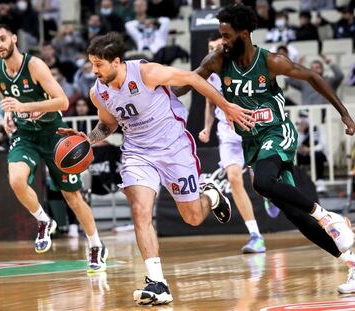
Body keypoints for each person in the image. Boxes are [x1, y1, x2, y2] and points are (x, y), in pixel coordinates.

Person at [57, 32, 254, 305]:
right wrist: (86, 140)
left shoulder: (147, 72)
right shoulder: (98, 92)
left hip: (173, 147)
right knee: (140, 211)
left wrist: (226, 107)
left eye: (98, 64)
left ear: (116, 62)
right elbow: (108, 125)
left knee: (193, 217)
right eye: (91, 63)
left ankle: (211, 195)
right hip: (138, 153)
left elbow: (194, 79)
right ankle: (157, 281)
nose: (94, 70)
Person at [173, 4, 355, 294]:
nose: (223, 41)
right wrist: (159, 86)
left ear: (244, 33)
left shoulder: (270, 61)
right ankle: (352, 263)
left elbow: (312, 77)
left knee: (262, 182)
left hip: (277, 132)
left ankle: (326, 215)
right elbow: (189, 83)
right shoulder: (218, 60)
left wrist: (344, 114)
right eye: (221, 35)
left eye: (227, 35)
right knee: (295, 215)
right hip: (253, 142)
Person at [0, 24, 107, 273]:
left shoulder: (34, 66)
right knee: (16, 180)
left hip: (53, 135)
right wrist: (9, 113)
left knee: (72, 197)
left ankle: (96, 245)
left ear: (14, 38)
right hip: (26, 135)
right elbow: (6, 95)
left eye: (2, 39)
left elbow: (62, 101)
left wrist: (27, 107)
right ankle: (44, 220)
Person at [199, 36, 266, 253]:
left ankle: (270, 197)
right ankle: (255, 235)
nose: (213, 51)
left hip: (250, 127)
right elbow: (209, 104)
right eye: (209, 47)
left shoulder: (243, 66)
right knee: (234, 178)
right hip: (226, 132)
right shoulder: (208, 74)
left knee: (261, 183)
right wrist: (207, 127)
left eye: (216, 47)